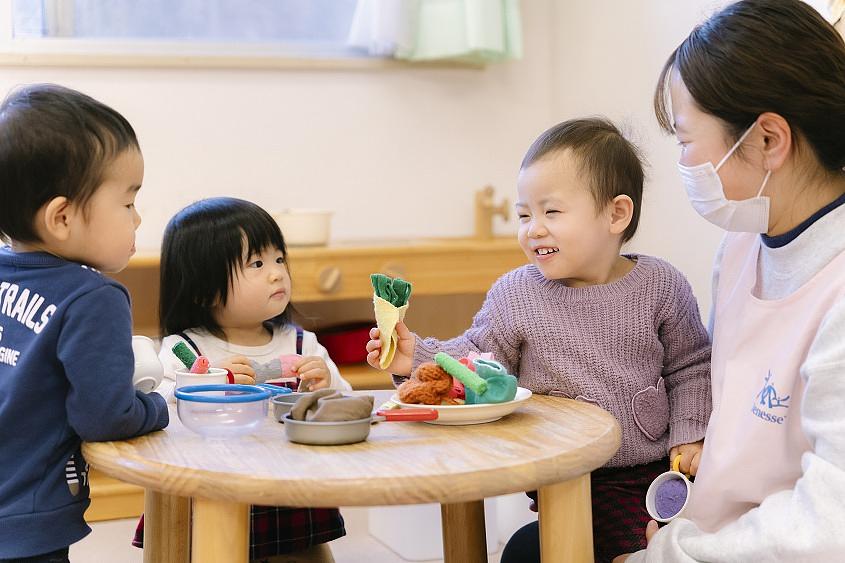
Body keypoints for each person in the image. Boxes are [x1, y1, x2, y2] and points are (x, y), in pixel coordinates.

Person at [366, 117, 713, 562]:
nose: (533, 229)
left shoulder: (661, 286)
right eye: (524, 215)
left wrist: (690, 434)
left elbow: (690, 366)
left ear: (616, 214)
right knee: (533, 549)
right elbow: (477, 359)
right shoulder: (517, 293)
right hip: (557, 470)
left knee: (654, 545)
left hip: (645, 473)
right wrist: (416, 357)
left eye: (551, 212)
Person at [615, 1, 845, 561]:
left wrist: (671, 555)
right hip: (706, 530)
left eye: (686, 140)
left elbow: (829, 525)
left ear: (768, 140)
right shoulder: (743, 247)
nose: (684, 161)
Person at [0, 84, 169, 562]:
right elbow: (105, 416)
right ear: (62, 217)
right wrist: (158, 406)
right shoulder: (93, 298)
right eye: (128, 203)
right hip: (26, 519)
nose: (138, 219)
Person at [136, 197, 350, 563]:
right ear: (204, 289)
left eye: (279, 259)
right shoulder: (186, 349)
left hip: (290, 490)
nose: (277, 273)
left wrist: (326, 385)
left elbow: (347, 403)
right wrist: (205, 383)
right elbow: (154, 405)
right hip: (209, 492)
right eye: (257, 263)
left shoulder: (302, 344)